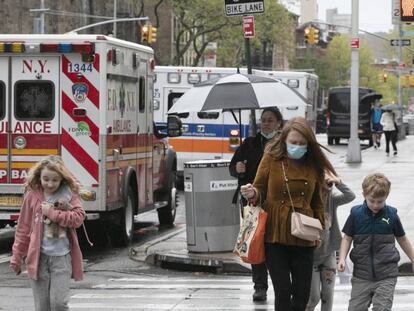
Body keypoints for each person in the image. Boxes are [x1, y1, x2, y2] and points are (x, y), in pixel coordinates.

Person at [241, 116, 336, 311]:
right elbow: (260, 190)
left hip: (304, 235)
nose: (298, 146)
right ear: (284, 140)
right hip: (275, 235)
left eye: (302, 143)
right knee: (282, 292)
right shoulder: (271, 158)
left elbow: (317, 201)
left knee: (302, 296)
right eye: (294, 142)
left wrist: (320, 230)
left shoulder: (314, 165)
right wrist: (252, 193)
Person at [9, 155, 85, 311]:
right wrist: (16, 256)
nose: (50, 184)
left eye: (55, 180)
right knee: (42, 307)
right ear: (39, 177)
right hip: (38, 259)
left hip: (61, 260)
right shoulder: (32, 195)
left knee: (59, 304)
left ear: (62, 179)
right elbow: (23, 227)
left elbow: (78, 218)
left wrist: (51, 213)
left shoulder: (69, 194)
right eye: (46, 179)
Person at [229, 106, 283, 302]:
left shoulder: (283, 144)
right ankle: (260, 286)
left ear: (278, 123)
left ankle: (281, 285)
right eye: (263, 119)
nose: (266, 123)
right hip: (252, 203)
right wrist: (238, 168)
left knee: (276, 245)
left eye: (270, 120)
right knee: (256, 243)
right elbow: (232, 169)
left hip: (277, 202)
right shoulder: (249, 143)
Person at [338, 173, 414, 311]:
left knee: (382, 308)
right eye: (372, 200)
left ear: (386, 197)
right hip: (361, 274)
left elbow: (402, 239)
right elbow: (347, 238)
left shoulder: (391, 215)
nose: (375, 205)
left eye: (380, 201)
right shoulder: (356, 214)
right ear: (364, 195)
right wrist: (342, 258)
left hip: (386, 274)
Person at [305, 171, 355, 311]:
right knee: (313, 297)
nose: (324, 193)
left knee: (328, 295)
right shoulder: (307, 201)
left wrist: (338, 182)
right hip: (311, 258)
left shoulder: (331, 199)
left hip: (328, 255)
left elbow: (350, 196)